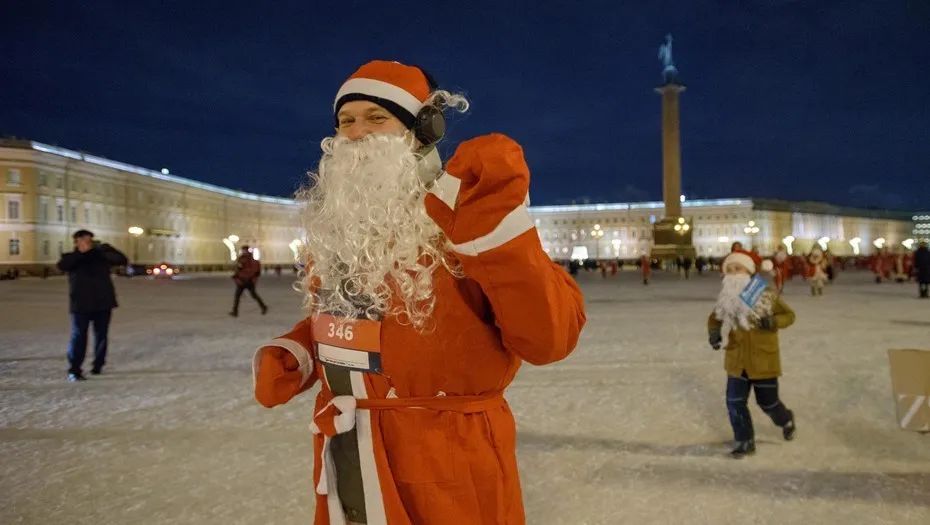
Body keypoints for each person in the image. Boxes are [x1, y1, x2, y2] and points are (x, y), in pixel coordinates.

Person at [251, 60, 585, 525]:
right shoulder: (339, 226)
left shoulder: (464, 213)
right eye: (346, 120)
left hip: (447, 457)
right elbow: (358, 321)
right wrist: (302, 350)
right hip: (350, 453)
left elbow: (550, 338)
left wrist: (501, 237)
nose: (357, 133)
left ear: (424, 128)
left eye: (376, 117)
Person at [708, 249, 796, 458]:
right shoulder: (727, 297)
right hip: (737, 359)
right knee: (734, 402)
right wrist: (714, 333)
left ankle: (785, 419)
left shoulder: (765, 294)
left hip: (763, 359)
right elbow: (715, 318)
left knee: (768, 403)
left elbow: (789, 315)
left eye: (737, 268)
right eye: (729, 269)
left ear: (748, 271)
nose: (733, 273)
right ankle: (744, 440)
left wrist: (773, 321)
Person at [56, 230, 128, 381]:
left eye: (89, 240)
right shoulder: (71, 257)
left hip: (103, 302)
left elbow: (122, 259)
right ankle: (75, 368)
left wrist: (103, 249)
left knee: (101, 335)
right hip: (80, 304)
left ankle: (98, 364)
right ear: (76, 242)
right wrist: (81, 253)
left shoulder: (101, 255)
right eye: (83, 240)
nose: (87, 242)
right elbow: (62, 266)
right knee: (78, 336)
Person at [229, 245, 267, 316]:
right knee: (239, 296)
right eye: (243, 250)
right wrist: (236, 276)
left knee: (252, 295)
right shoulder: (242, 259)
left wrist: (239, 275)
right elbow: (239, 269)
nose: (243, 252)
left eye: (244, 250)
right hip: (244, 280)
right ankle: (235, 311)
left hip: (247, 280)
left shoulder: (246, 259)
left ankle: (263, 307)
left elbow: (248, 270)